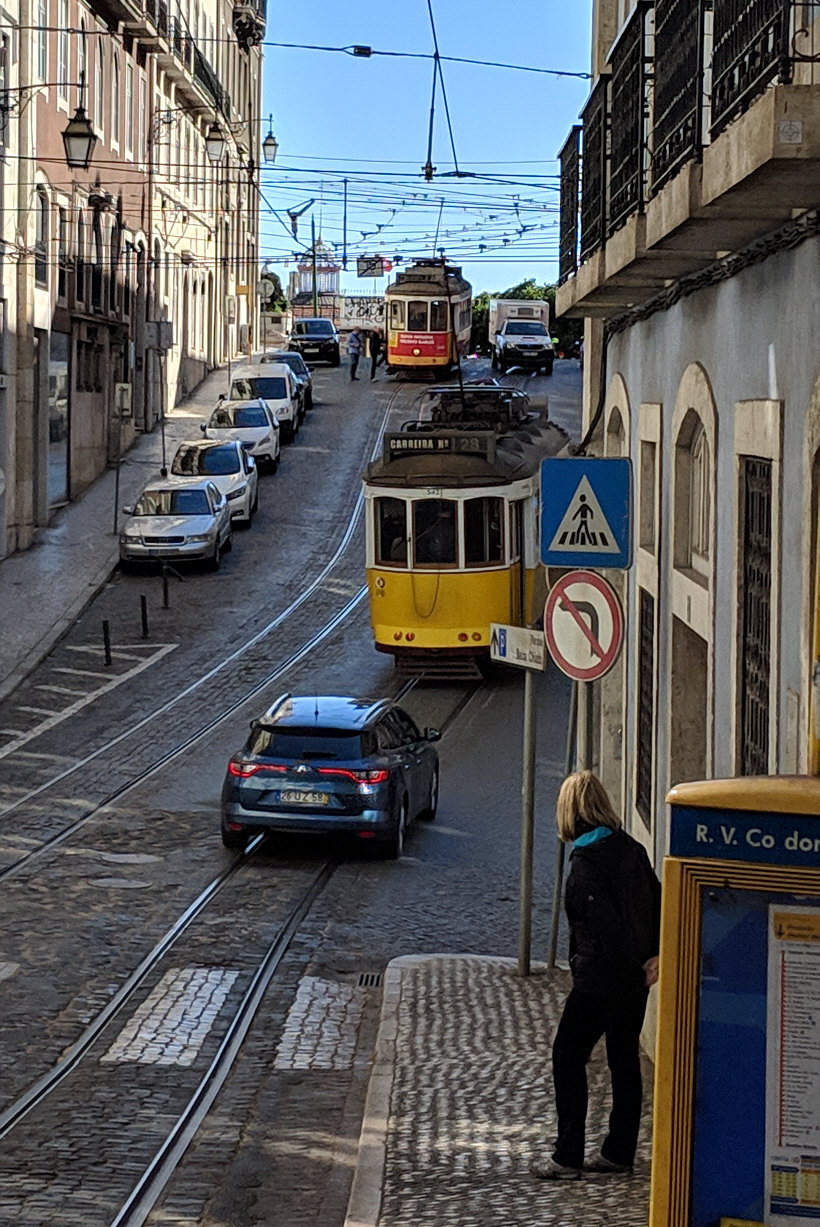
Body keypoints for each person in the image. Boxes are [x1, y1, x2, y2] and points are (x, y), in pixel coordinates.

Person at [532, 771, 661, 1182]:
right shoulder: (631, 849)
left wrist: (605, 968)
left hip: (602, 980)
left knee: (567, 1055)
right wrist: (653, 956)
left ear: (570, 813)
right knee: (624, 1058)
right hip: (636, 978)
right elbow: (658, 901)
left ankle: (567, 1154)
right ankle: (619, 1150)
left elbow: (605, 929)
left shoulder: (587, 865)